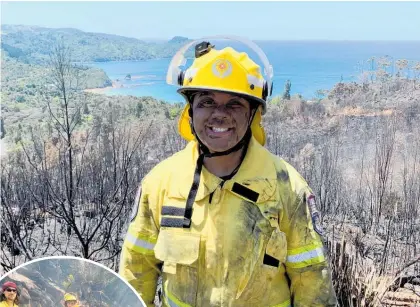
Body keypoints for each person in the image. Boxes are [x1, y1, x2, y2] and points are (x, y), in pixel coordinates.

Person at [119, 36, 337, 307]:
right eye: (206, 102)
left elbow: (312, 282)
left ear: (253, 114)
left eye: (234, 103)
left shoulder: (287, 188)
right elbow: (136, 273)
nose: (219, 114)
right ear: (190, 111)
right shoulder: (160, 184)